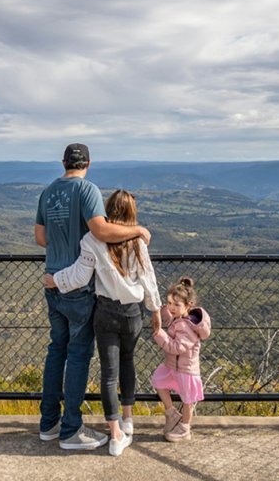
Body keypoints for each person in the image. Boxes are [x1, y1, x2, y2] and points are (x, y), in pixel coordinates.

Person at [34, 143, 151, 450]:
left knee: (55, 351)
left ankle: (48, 424)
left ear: (62, 163)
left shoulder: (47, 192)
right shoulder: (87, 190)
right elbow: (100, 231)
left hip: (53, 282)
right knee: (78, 357)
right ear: (88, 164)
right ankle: (71, 429)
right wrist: (136, 230)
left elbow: (41, 237)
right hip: (78, 288)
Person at [151, 275, 211, 441]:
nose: (172, 307)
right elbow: (170, 320)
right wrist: (161, 309)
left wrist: (159, 334)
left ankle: (185, 427)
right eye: (169, 303)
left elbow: (177, 347)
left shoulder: (188, 326)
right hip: (172, 366)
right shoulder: (179, 318)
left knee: (187, 400)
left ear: (189, 305)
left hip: (186, 369)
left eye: (176, 304)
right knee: (158, 381)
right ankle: (171, 413)